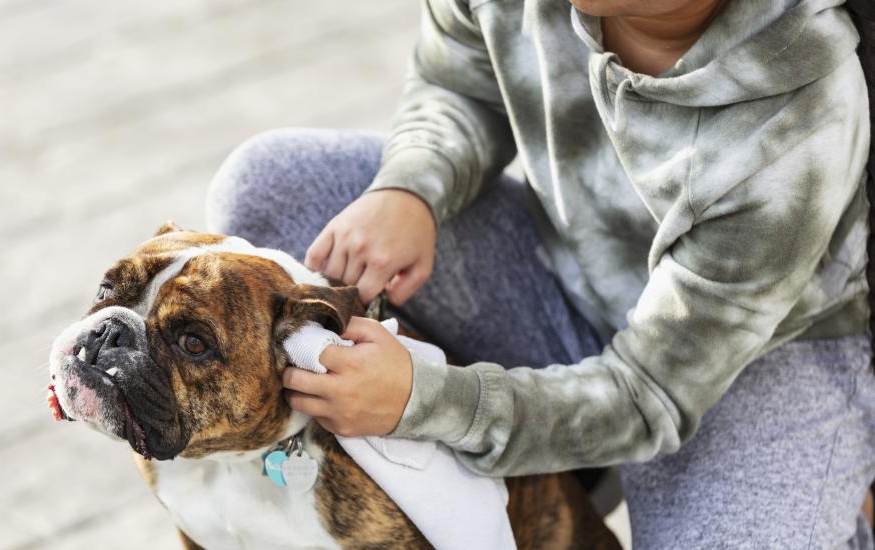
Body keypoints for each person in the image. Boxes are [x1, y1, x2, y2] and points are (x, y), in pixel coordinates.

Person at [206, 0, 875, 546]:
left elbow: (648, 395)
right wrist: (413, 185)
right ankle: (557, 466)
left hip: (748, 364)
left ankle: (831, 499)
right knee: (274, 190)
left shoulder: (799, 116)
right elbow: (459, 76)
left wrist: (426, 402)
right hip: (566, 272)